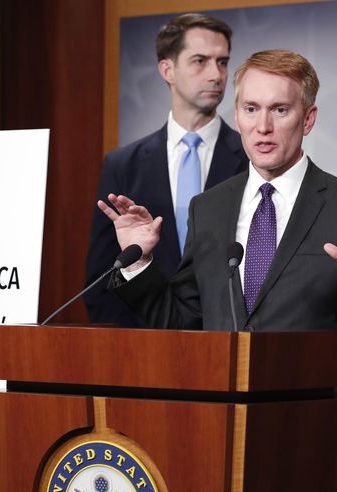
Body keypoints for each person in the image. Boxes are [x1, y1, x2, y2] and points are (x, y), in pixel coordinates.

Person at [98, 49, 337, 361]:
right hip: (219, 413)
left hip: (307, 414)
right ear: (237, 115)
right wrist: (138, 263)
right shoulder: (208, 208)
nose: (263, 127)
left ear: (308, 119)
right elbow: (183, 324)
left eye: (280, 110)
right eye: (251, 109)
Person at [84, 13, 248, 326]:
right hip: (143, 352)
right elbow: (102, 279)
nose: (216, 74)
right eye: (200, 61)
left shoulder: (254, 161)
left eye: (223, 62)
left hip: (228, 345)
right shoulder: (123, 165)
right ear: (167, 69)